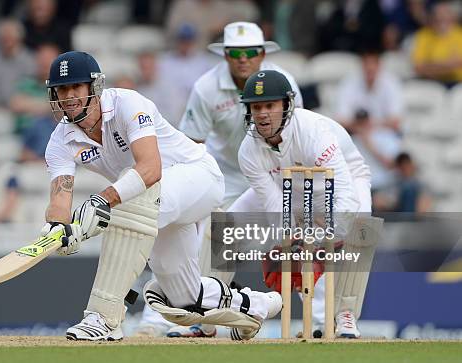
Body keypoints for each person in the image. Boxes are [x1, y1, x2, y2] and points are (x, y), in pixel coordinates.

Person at [41, 51, 282, 341]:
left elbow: (150, 168)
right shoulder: (60, 140)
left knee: (128, 202)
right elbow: (60, 197)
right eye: (62, 89)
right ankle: (255, 306)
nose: (68, 96)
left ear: (94, 86)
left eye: (75, 87)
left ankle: (103, 316)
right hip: (156, 207)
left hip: (197, 177)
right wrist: (57, 229)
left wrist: (102, 201)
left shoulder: (127, 104)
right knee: (184, 298)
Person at [137, 21, 304, 337]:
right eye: (235, 53)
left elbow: (295, 137)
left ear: (262, 54)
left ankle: (324, 321)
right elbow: (190, 146)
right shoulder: (206, 87)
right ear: (225, 55)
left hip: (275, 174)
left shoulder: (285, 83)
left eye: (250, 52)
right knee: (214, 239)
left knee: (305, 236)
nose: (243, 59)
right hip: (225, 176)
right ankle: (203, 319)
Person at [235, 70, 372, 339]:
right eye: (257, 106)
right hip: (288, 187)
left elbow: (344, 193)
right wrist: (290, 242)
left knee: (361, 226)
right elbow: (275, 206)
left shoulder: (312, 132)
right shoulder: (247, 151)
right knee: (222, 224)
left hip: (340, 183)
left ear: (287, 105)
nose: (263, 114)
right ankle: (206, 313)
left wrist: (323, 243)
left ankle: (345, 314)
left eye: (270, 106)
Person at [336, 48, 404, 134]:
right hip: (356, 133)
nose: (370, 68)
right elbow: (341, 119)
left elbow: (396, 121)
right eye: (366, 64)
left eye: (373, 64)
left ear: (379, 65)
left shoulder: (391, 83)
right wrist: (361, 127)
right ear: (361, 65)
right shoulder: (349, 82)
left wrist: (371, 125)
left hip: (386, 134)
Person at [0, 19, 35, 106]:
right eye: (4, 38)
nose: (7, 41)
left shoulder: (29, 61)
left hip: (22, 109)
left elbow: (31, 89)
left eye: (10, 37)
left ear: (19, 39)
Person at [411, 0, 462, 86]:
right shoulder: (423, 35)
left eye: (444, 15)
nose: (441, 18)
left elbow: (459, 63)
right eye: (437, 16)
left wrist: (431, 66)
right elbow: (418, 68)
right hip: (430, 84)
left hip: (457, 84)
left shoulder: (459, 34)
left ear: (451, 17)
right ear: (432, 18)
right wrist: (449, 65)